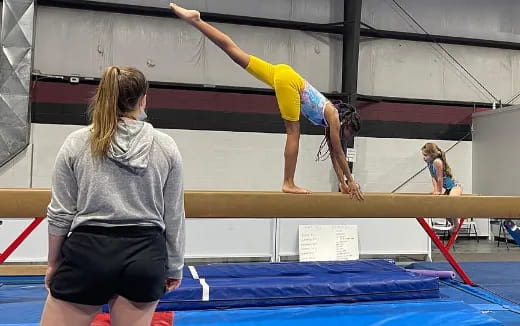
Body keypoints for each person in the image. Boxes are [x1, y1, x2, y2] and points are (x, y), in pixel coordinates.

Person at [169, 3, 363, 200]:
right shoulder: (334, 117)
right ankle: (288, 182)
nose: (345, 137)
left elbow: (333, 152)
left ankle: (197, 21)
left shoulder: (329, 119)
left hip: (283, 73)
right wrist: (351, 181)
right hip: (291, 84)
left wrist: (342, 182)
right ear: (346, 123)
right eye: (347, 133)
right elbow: (339, 153)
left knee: (236, 54)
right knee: (293, 132)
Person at [40, 66, 185, 326]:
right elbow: (173, 215)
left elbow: (60, 212)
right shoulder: (166, 146)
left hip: (89, 254)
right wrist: (174, 266)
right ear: (143, 100)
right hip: (144, 255)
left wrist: (53, 263)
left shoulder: (77, 142)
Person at [422, 142, 463, 230]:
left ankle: (456, 225)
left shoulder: (437, 162)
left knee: (451, 203)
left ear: (432, 154)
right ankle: (454, 225)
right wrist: (435, 190)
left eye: (425, 155)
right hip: (448, 189)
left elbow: (440, 178)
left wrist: (439, 191)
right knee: (444, 210)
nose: (423, 157)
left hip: (455, 186)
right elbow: (433, 177)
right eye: (423, 155)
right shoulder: (429, 163)